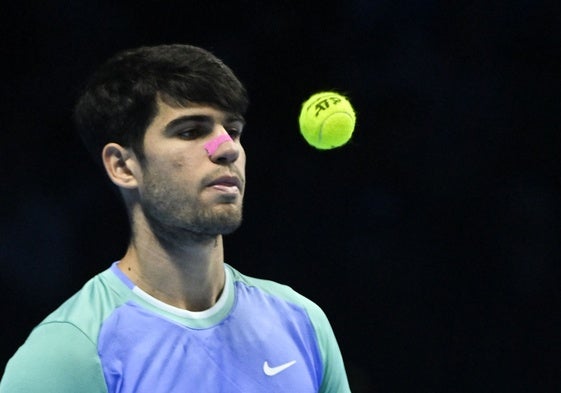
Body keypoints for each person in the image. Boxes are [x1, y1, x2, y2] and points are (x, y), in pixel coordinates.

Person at [0, 44, 351, 392]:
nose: (226, 148)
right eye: (190, 132)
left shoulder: (301, 322)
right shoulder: (68, 354)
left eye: (233, 130)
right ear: (123, 166)